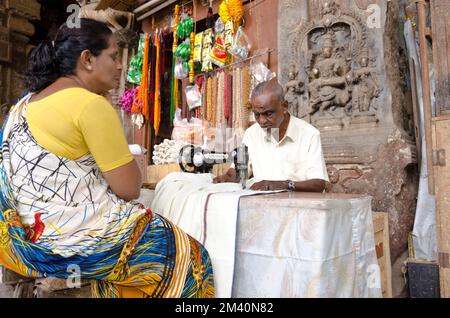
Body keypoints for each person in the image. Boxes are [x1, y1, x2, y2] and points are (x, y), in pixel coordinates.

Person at [0, 19, 214, 298]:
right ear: (87, 59)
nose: (120, 65)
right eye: (113, 56)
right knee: (191, 259)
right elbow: (129, 189)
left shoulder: (23, 105)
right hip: (67, 246)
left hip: (17, 244)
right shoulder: (90, 104)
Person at [214, 79, 329, 192]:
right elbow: (238, 172)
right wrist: (226, 178)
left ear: (284, 107)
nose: (262, 121)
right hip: (262, 206)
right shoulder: (251, 134)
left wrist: (284, 185)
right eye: (257, 115)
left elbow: (319, 183)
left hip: (299, 206)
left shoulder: (310, 134)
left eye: (268, 113)